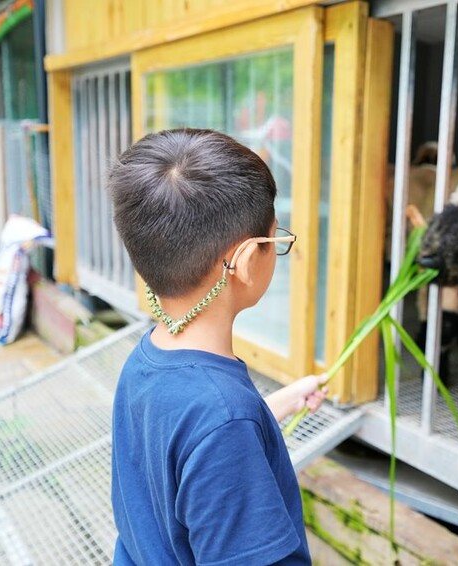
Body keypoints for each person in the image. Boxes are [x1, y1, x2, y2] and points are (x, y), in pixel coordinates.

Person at [108, 128, 327, 565]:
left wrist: (275, 404)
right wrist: (241, 418)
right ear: (245, 261)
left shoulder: (148, 357)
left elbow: (189, 435)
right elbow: (216, 427)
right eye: (275, 241)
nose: (277, 249)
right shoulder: (224, 419)